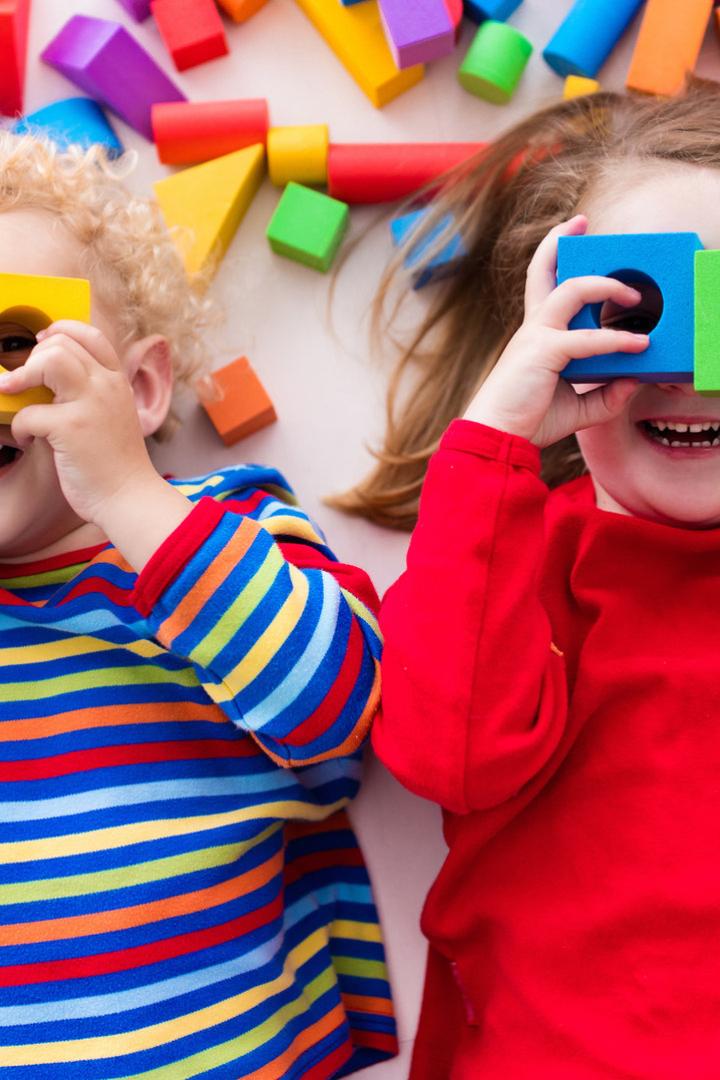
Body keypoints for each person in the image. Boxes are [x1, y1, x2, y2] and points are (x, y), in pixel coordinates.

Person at [0, 132, 396, 1078]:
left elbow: (347, 710)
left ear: (138, 390)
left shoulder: (220, 533)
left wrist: (134, 500)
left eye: (16, 342)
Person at [345, 80, 720, 1077]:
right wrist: (494, 442)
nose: (691, 372)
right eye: (636, 312)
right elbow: (444, 755)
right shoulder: (518, 550)